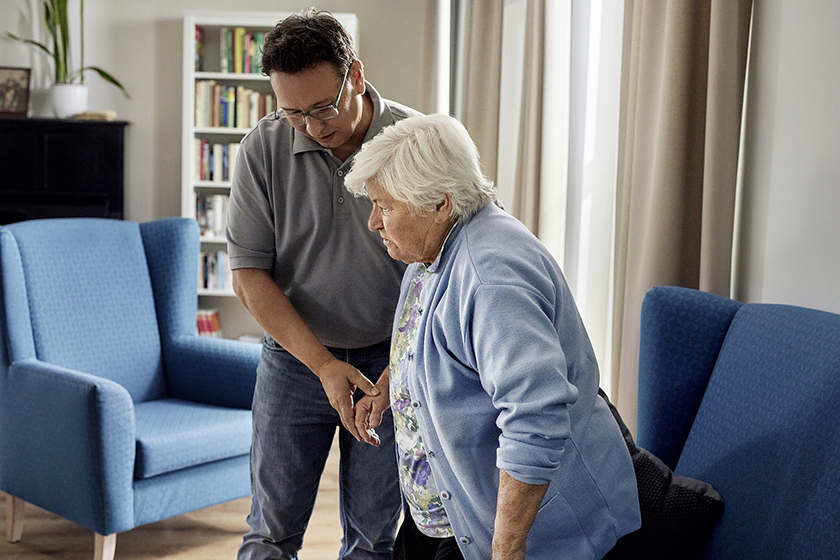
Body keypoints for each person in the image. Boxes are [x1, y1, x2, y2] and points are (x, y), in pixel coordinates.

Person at [344, 114, 642, 560]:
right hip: (448, 515)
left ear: (440, 203)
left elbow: (534, 416)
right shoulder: (432, 250)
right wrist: (390, 388)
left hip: (515, 534)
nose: (373, 223)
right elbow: (428, 339)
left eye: (385, 207)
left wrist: (505, 549)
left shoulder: (491, 277)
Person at [225, 8, 421, 559]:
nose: (311, 126)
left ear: (355, 76)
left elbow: (447, 271)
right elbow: (248, 277)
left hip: (390, 364)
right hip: (295, 360)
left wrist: (401, 368)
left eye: (322, 108)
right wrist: (324, 365)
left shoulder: (414, 144)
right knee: (270, 532)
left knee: (373, 539)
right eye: (292, 113)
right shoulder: (261, 148)